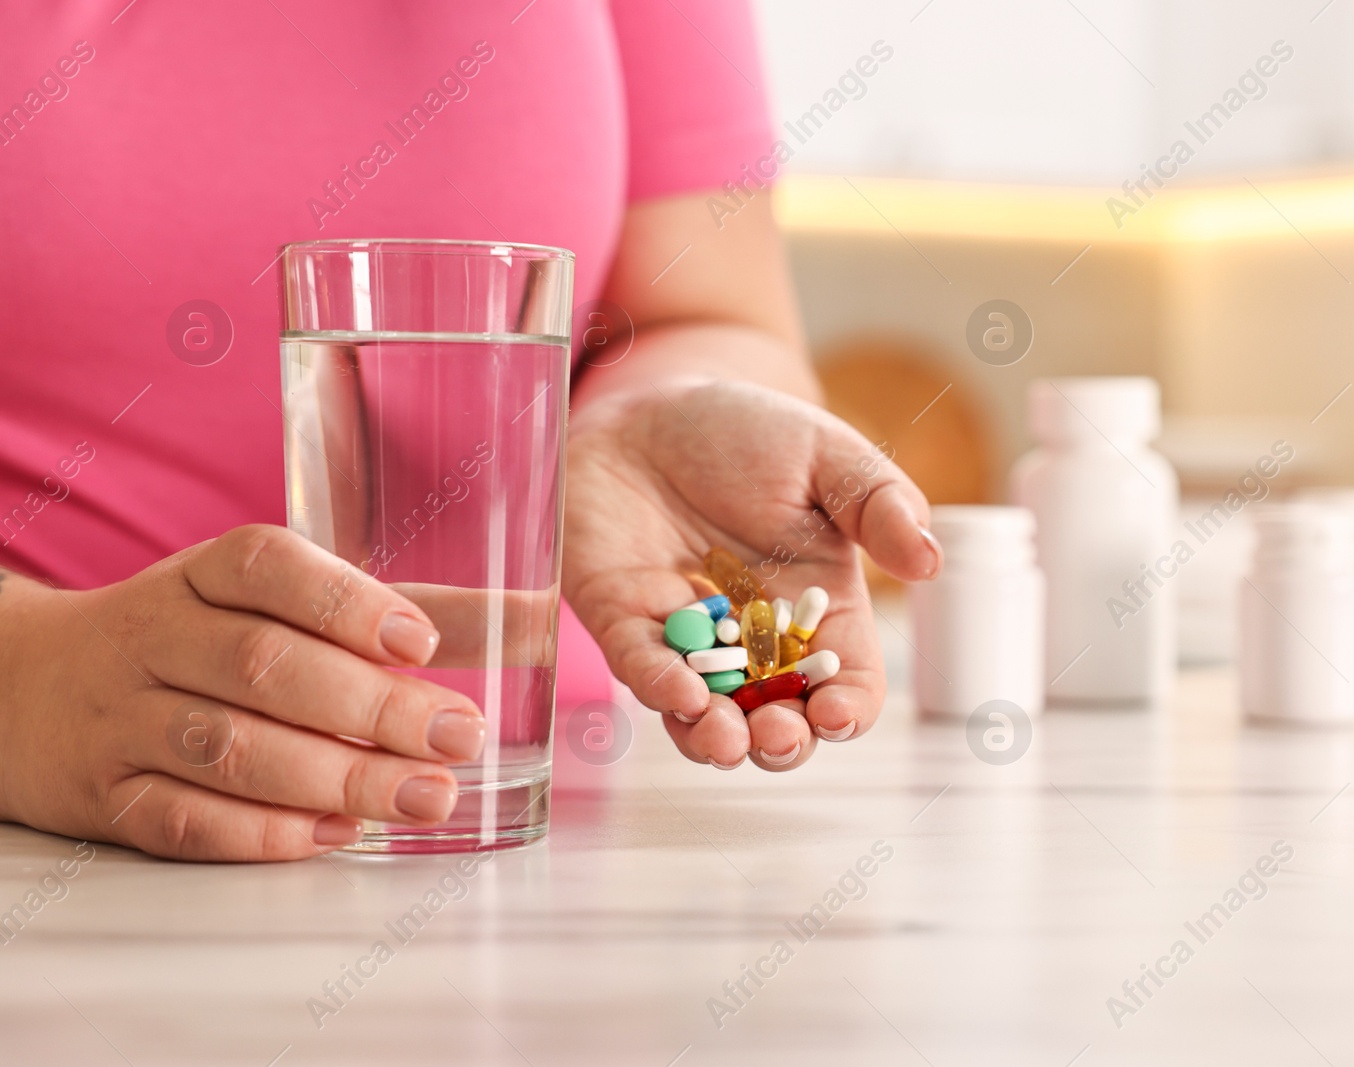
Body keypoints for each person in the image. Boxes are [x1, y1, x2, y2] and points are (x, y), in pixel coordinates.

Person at [0, 0, 941, 861]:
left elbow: (708, 308)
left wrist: (653, 406)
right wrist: (29, 685)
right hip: (65, 854)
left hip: (560, 825)